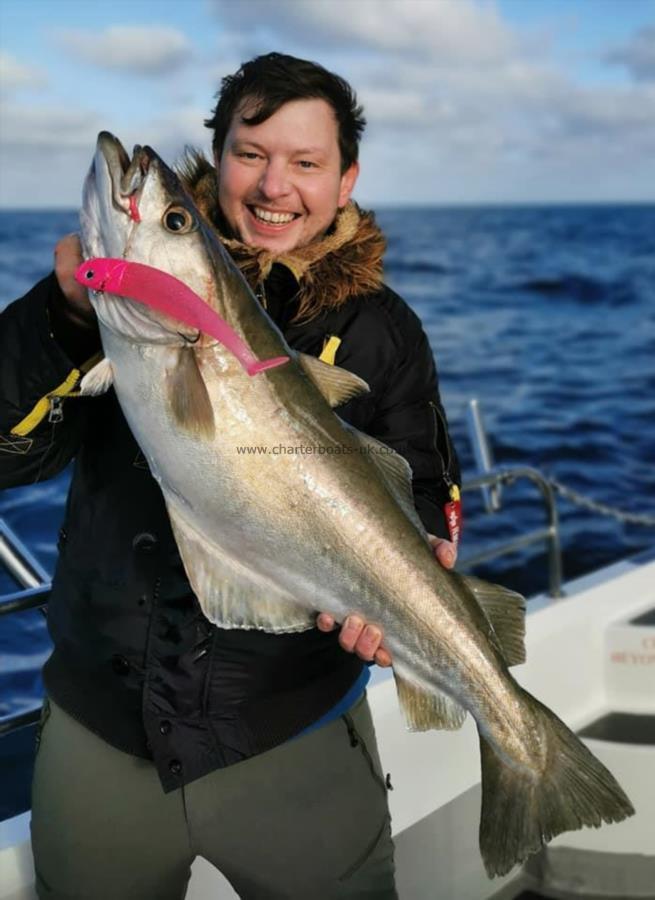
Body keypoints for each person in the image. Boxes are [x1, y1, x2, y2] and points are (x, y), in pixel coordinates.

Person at [0, 53, 461, 899]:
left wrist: (417, 569)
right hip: (103, 730)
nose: (274, 185)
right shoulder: (109, 311)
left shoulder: (383, 332)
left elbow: (424, 484)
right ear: (215, 158)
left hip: (295, 731)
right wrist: (60, 316)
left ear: (345, 177)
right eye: (251, 153)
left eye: (306, 162)